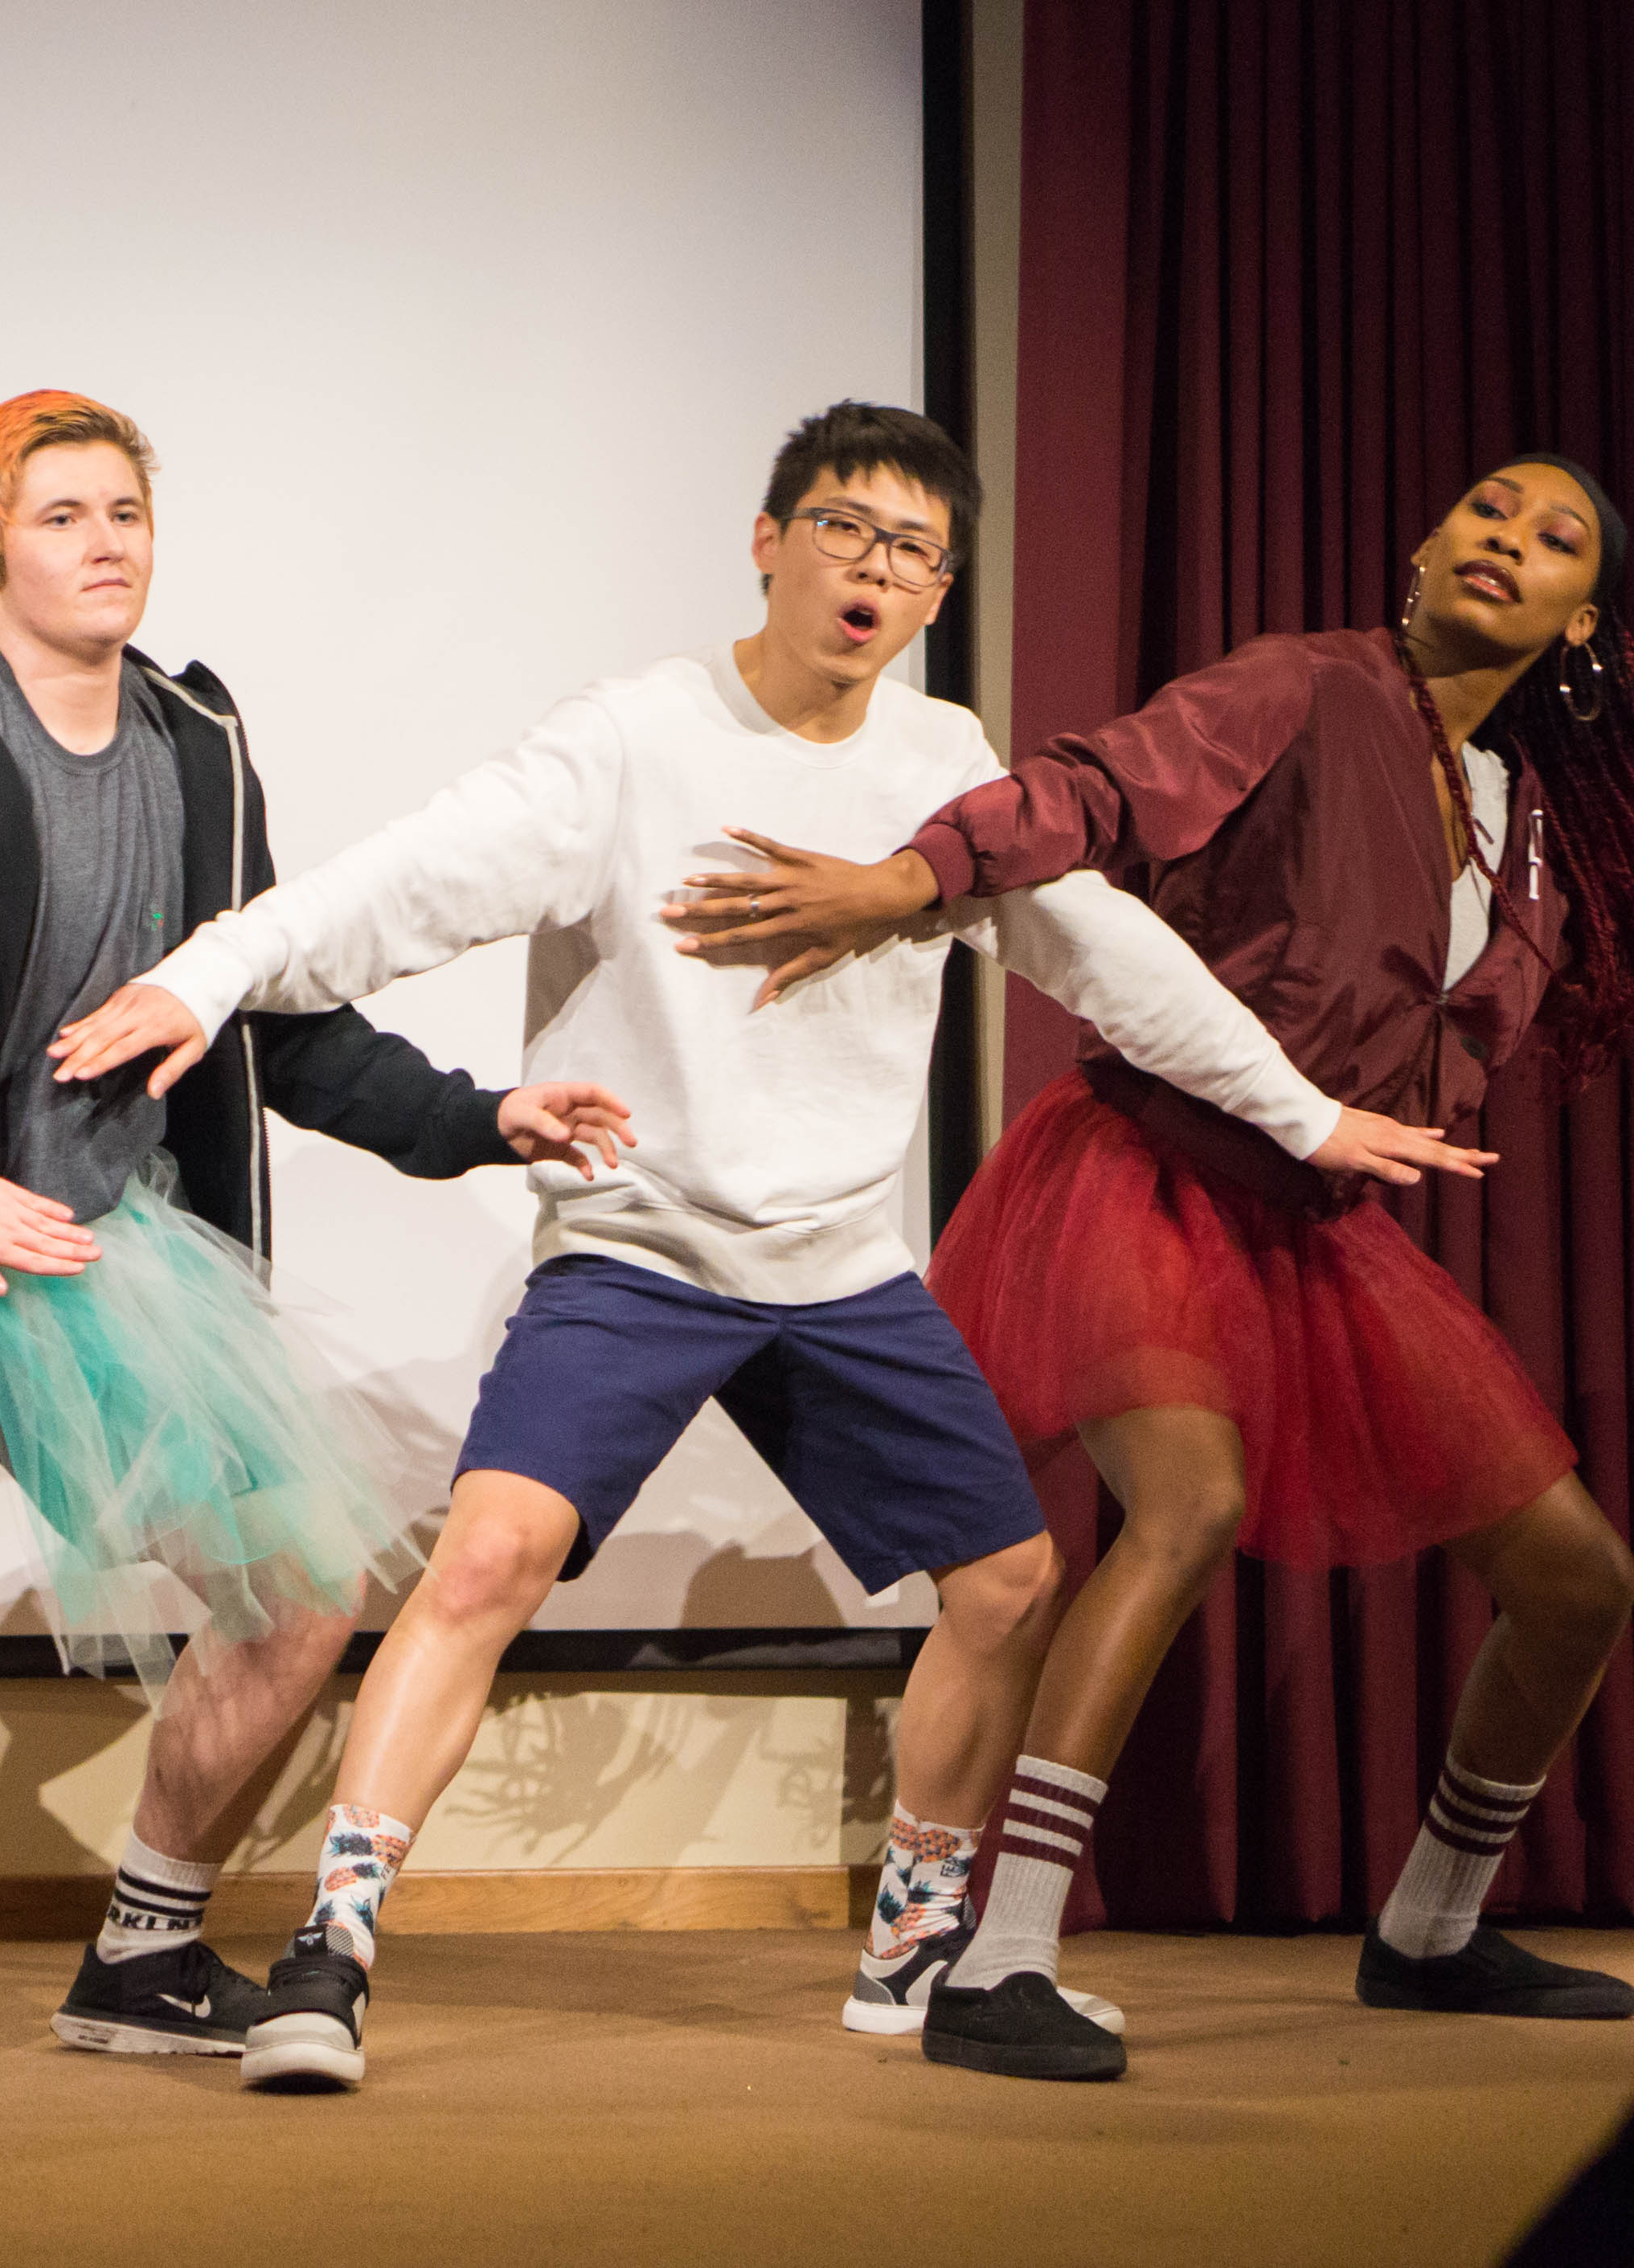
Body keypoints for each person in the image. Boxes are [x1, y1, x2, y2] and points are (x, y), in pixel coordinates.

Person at [67, 401, 1459, 2090]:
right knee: (488, 1557)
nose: (872, 570)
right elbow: (403, 882)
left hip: (837, 1266)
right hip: (639, 1246)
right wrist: (210, 971)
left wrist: (1302, 1114)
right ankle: (333, 1948)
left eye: (913, 550)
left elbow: (1108, 954)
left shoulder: (943, 767)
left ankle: (912, 1951)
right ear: (768, 541)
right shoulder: (634, 737)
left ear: (938, 589)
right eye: (843, 529)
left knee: (1008, 1579)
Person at [0, 390, 626, 2131]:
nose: (105, 544)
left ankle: (144, 1952)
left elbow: (268, 1017)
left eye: (125, 512)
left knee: (298, 1589)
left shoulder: (195, 746)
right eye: (61, 515)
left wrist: (478, 1118)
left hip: (108, 1261)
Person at [675, 450, 1634, 2049]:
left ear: (1581, 620)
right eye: (1485, 508)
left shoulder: (1522, 821)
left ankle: (1432, 1928)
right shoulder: (1306, 685)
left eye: (1553, 539)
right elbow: (1090, 792)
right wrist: (910, 876)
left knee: (1581, 1581)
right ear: (1421, 542)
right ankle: (1002, 1955)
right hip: (1148, 1167)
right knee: (1187, 1504)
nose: (1505, 539)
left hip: (1315, 1224)